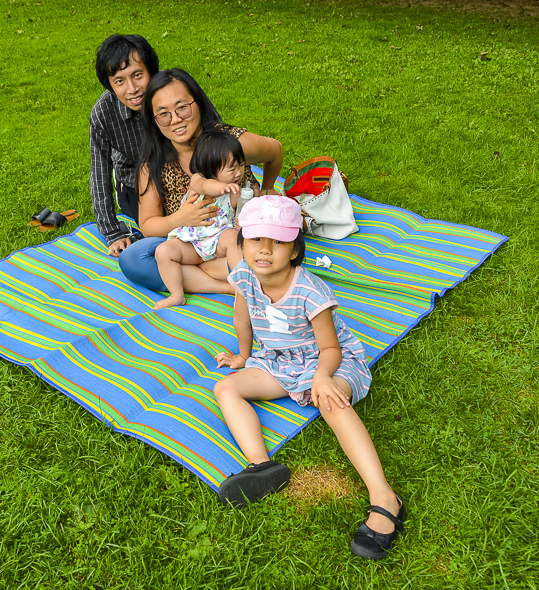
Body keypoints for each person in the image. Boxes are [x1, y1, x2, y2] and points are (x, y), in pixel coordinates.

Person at [213, 195, 406, 560]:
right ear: (242, 243)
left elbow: (331, 347)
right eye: (255, 239)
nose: (264, 249)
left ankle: (385, 498)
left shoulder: (310, 291)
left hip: (328, 360)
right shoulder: (242, 276)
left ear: (296, 250)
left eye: (278, 241)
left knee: (329, 400)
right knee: (226, 387)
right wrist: (243, 356)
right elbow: (243, 318)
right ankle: (262, 466)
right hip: (278, 360)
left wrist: (322, 377)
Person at [117, 68, 283, 295]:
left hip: (234, 240)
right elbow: (148, 226)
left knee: (267, 246)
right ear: (154, 120)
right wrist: (180, 218)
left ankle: (195, 275)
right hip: (191, 243)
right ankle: (227, 284)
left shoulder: (228, 144)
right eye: (164, 114)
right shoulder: (153, 162)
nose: (175, 119)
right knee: (133, 259)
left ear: (198, 103)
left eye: (182, 107)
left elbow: (275, 150)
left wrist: (268, 187)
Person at [153, 130, 248, 310]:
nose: (239, 173)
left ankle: (244, 287)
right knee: (163, 251)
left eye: (241, 166)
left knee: (232, 237)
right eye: (232, 168)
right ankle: (177, 295)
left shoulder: (234, 192)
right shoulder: (198, 180)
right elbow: (206, 186)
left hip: (218, 241)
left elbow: (245, 210)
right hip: (192, 243)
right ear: (210, 168)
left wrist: (243, 218)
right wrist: (223, 187)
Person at [89, 34, 159, 257]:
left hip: (186, 177)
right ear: (110, 85)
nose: (132, 89)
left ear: (152, 71)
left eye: (138, 75)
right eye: (119, 81)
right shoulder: (102, 113)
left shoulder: (176, 92)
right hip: (136, 185)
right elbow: (99, 173)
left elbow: (215, 135)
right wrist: (112, 233)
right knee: (161, 238)